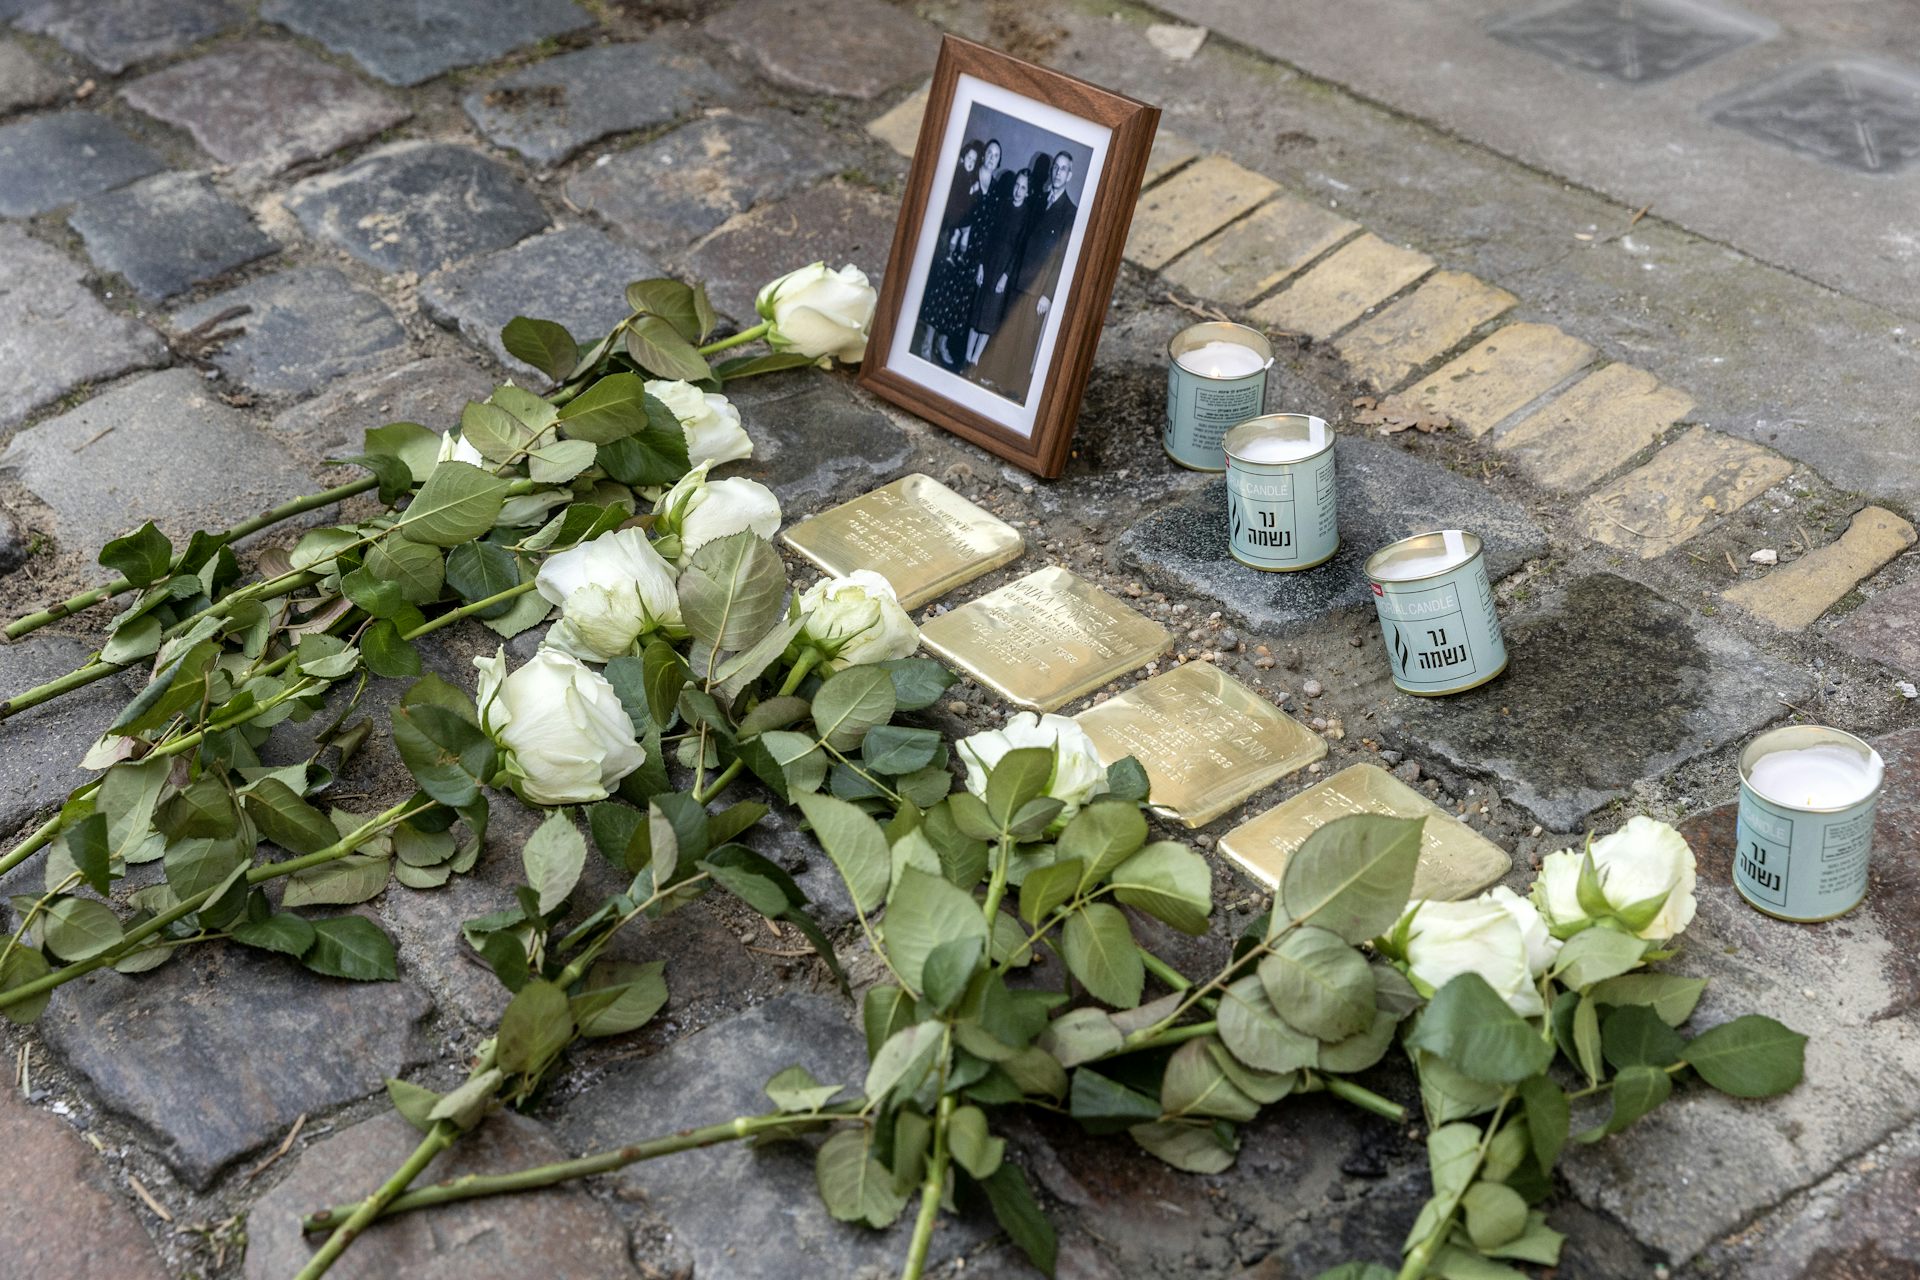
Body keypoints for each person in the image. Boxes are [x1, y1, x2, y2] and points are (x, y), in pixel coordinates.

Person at [975, 151, 1077, 403]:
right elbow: (1021, 241)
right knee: (1005, 331)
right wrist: (1009, 274)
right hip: (1018, 278)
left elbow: (1062, 258)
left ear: (1069, 175)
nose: (1057, 172)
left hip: (1038, 287)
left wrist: (1048, 294)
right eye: (1055, 167)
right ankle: (992, 377)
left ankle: (1014, 390)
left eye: (1063, 169)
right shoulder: (1039, 199)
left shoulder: (1069, 212)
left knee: (1026, 340)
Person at [919, 139, 999, 370]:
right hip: (958, 245)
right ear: (985, 157)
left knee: (960, 304)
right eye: (990, 154)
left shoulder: (993, 186)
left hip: (975, 253)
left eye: (997, 155)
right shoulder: (972, 177)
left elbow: (989, 225)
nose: (993, 158)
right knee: (944, 294)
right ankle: (927, 341)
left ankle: (942, 344)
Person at [964, 162, 1032, 370]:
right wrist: (981, 266)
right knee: (978, 311)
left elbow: (1019, 249)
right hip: (989, 263)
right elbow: (988, 237)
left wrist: (1005, 276)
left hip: (1004, 270)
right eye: (1016, 186)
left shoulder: (1026, 215)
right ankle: (966, 356)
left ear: (1027, 192)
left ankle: (975, 359)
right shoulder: (1003, 205)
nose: (1018, 190)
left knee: (989, 317)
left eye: (1023, 188)